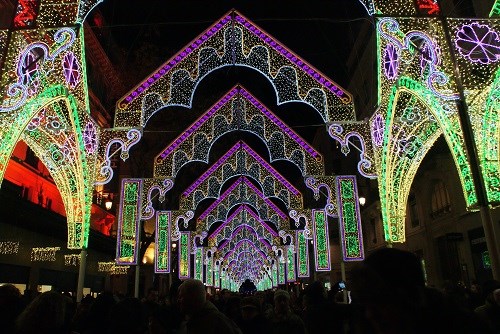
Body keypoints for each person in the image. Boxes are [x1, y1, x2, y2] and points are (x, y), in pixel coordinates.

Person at [349, 248, 491, 334]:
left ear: (409, 296)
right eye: (366, 305)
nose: (370, 314)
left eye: (380, 302)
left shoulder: (464, 327)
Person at [177, 279, 241, 334]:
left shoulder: (216, 323)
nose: (178, 300)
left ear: (193, 297)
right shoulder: (191, 319)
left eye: (181, 297)